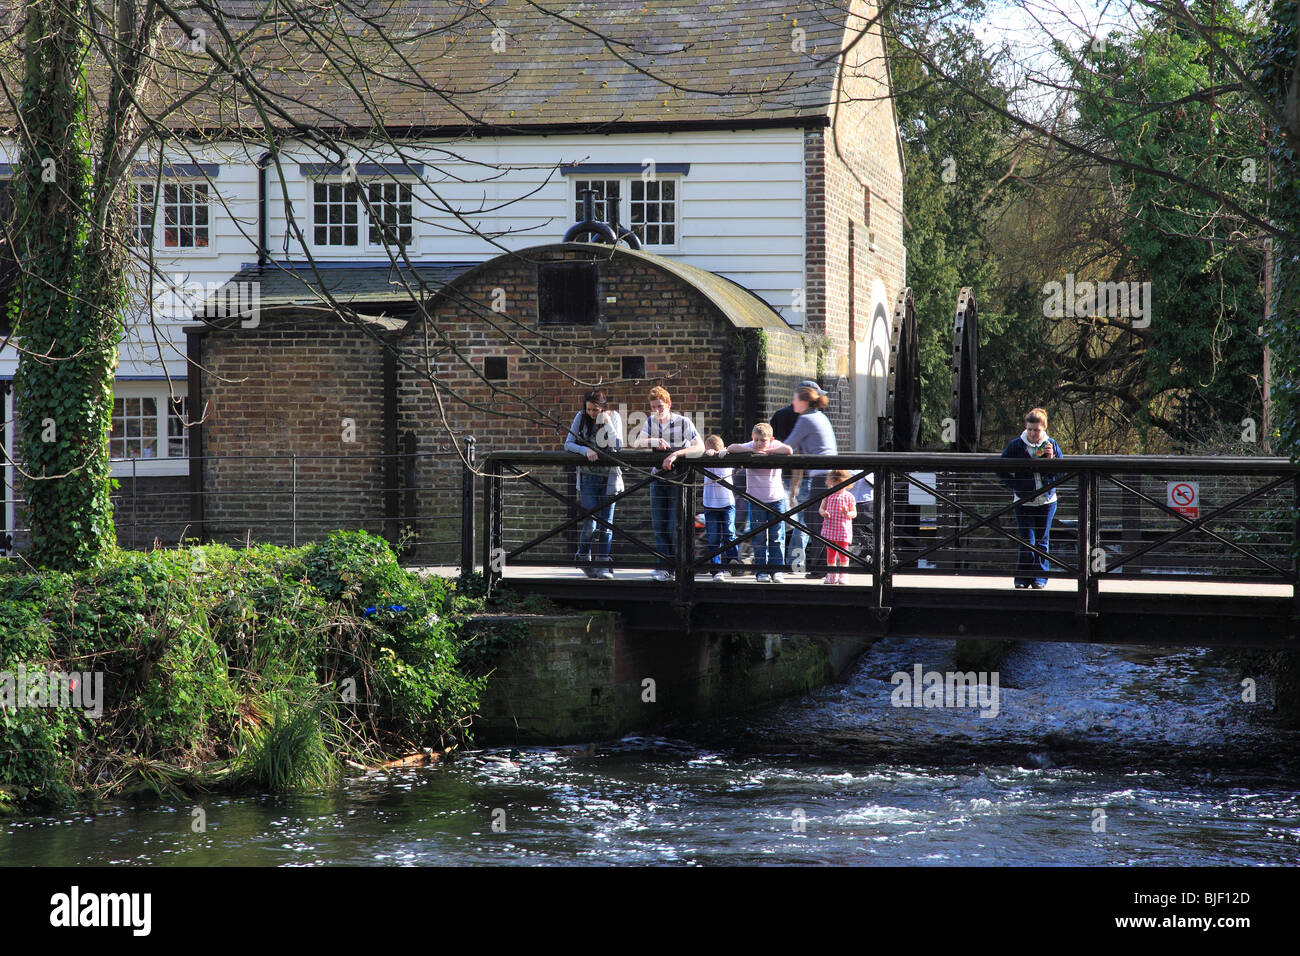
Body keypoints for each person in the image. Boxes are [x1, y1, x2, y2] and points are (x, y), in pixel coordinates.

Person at [635, 385, 704, 581]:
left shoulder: (683, 422)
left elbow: (699, 447)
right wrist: (654, 441)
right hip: (657, 478)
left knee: (676, 524)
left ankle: (679, 567)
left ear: (669, 404)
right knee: (659, 524)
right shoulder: (650, 422)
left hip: (678, 479)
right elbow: (637, 441)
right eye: (653, 407)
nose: (657, 411)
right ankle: (664, 567)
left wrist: (676, 453)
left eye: (660, 407)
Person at [998, 407, 1064, 589]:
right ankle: (1022, 579)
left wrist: (1051, 461)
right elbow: (1000, 468)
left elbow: (1062, 473)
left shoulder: (1051, 444)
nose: (1033, 433)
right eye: (1030, 429)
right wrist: (1016, 486)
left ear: (1044, 428)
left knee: (1042, 540)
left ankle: (1040, 579)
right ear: (1026, 428)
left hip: (1047, 500)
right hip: (1023, 500)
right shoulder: (1017, 445)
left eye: (1037, 430)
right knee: (1027, 540)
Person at [563, 389, 624, 579]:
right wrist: (584, 451)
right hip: (589, 476)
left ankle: (603, 563)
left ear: (603, 408)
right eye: (589, 409)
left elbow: (619, 445)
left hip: (610, 477)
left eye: (595, 410)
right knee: (590, 521)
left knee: (606, 523)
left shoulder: (613, 418)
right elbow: (568, 444)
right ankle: (583, 555)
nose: (591, 413)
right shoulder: (580, 417)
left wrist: (607, 424)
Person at [724, 424, 793, 582]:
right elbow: (732, 448)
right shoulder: (751, 446)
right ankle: (761, 571)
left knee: (777, 536)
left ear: (771, 439)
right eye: (756, 440)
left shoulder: (775, 445)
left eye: (763, 440)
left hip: (776, 499)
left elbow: (788, 450)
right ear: (752, 437)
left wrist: (767, 452)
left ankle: (777, 570)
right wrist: (752, 450)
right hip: (756, 500)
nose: (759, 443)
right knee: (759, 537)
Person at [783, 382, 838, 577]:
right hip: (828, 475)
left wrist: (763, 452)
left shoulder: (806, 419)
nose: (792, 402)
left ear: (803, 401)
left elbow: (788, 446)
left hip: (821, 477)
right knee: (819, 520)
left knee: (815, 521)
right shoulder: (819, 416)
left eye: (795, 399)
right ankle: (824, 566)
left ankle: (819, 568)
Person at [774, 381, 818, 568]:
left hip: (778, 473)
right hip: (804, 475)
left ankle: (774, 562)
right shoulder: (811, 417)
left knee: (777, 519)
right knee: (802, 523)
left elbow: (773, 442)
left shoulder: (779, 415)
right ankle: (795, 564)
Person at [701, 435, 741, 581]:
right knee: (713, 538)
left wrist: (726, 452)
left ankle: (733, 561)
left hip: (727, 503)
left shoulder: (728, 458)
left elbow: (738, 450)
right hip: (710, 504)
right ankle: (716, 570)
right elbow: (696, 452)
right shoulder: (704, 458)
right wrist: (705, 454)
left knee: (729, 533)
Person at [819, 469, 858, 585]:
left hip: (843, 529)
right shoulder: (828, 495)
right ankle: (831, 574)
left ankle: (843, 575)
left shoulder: (849, 496)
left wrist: (847, 513)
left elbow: (854, 513)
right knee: (830, 553)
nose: (837, 487)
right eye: (835, 484)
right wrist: (823, 513)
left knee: (843, 553)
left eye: (840, 485)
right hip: (830, 527)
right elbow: (821, 508)